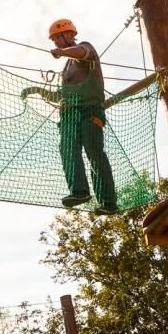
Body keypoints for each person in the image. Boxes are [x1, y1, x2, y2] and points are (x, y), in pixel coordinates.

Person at [22, 19, 117, 215]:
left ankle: (108, 203)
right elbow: (60, 96)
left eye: (58, 37)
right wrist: (38, 90)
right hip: (70, 114)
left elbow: (83, 53)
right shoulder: (64, 70)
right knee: (67, 147)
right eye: (54, 39)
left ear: (71, 34)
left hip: (90, 110)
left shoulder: (84, 48)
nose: (55, 42)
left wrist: (63, 52)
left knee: (94, 153)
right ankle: (80, 191)